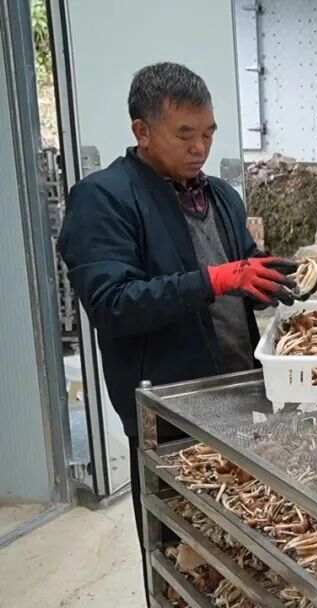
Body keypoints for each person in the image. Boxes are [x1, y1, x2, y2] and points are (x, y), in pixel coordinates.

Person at [57, 62, 298, 601]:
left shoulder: (221, 197)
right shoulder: (103, 198)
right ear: (142, 131)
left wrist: (272, 280)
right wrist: (216, 279)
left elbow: (241, 265)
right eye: (184, 134)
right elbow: (113, 304)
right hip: (170, 414)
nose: (200, 148)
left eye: (209, 132)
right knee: (181, 557)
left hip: (240, 397)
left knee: (243, 545)